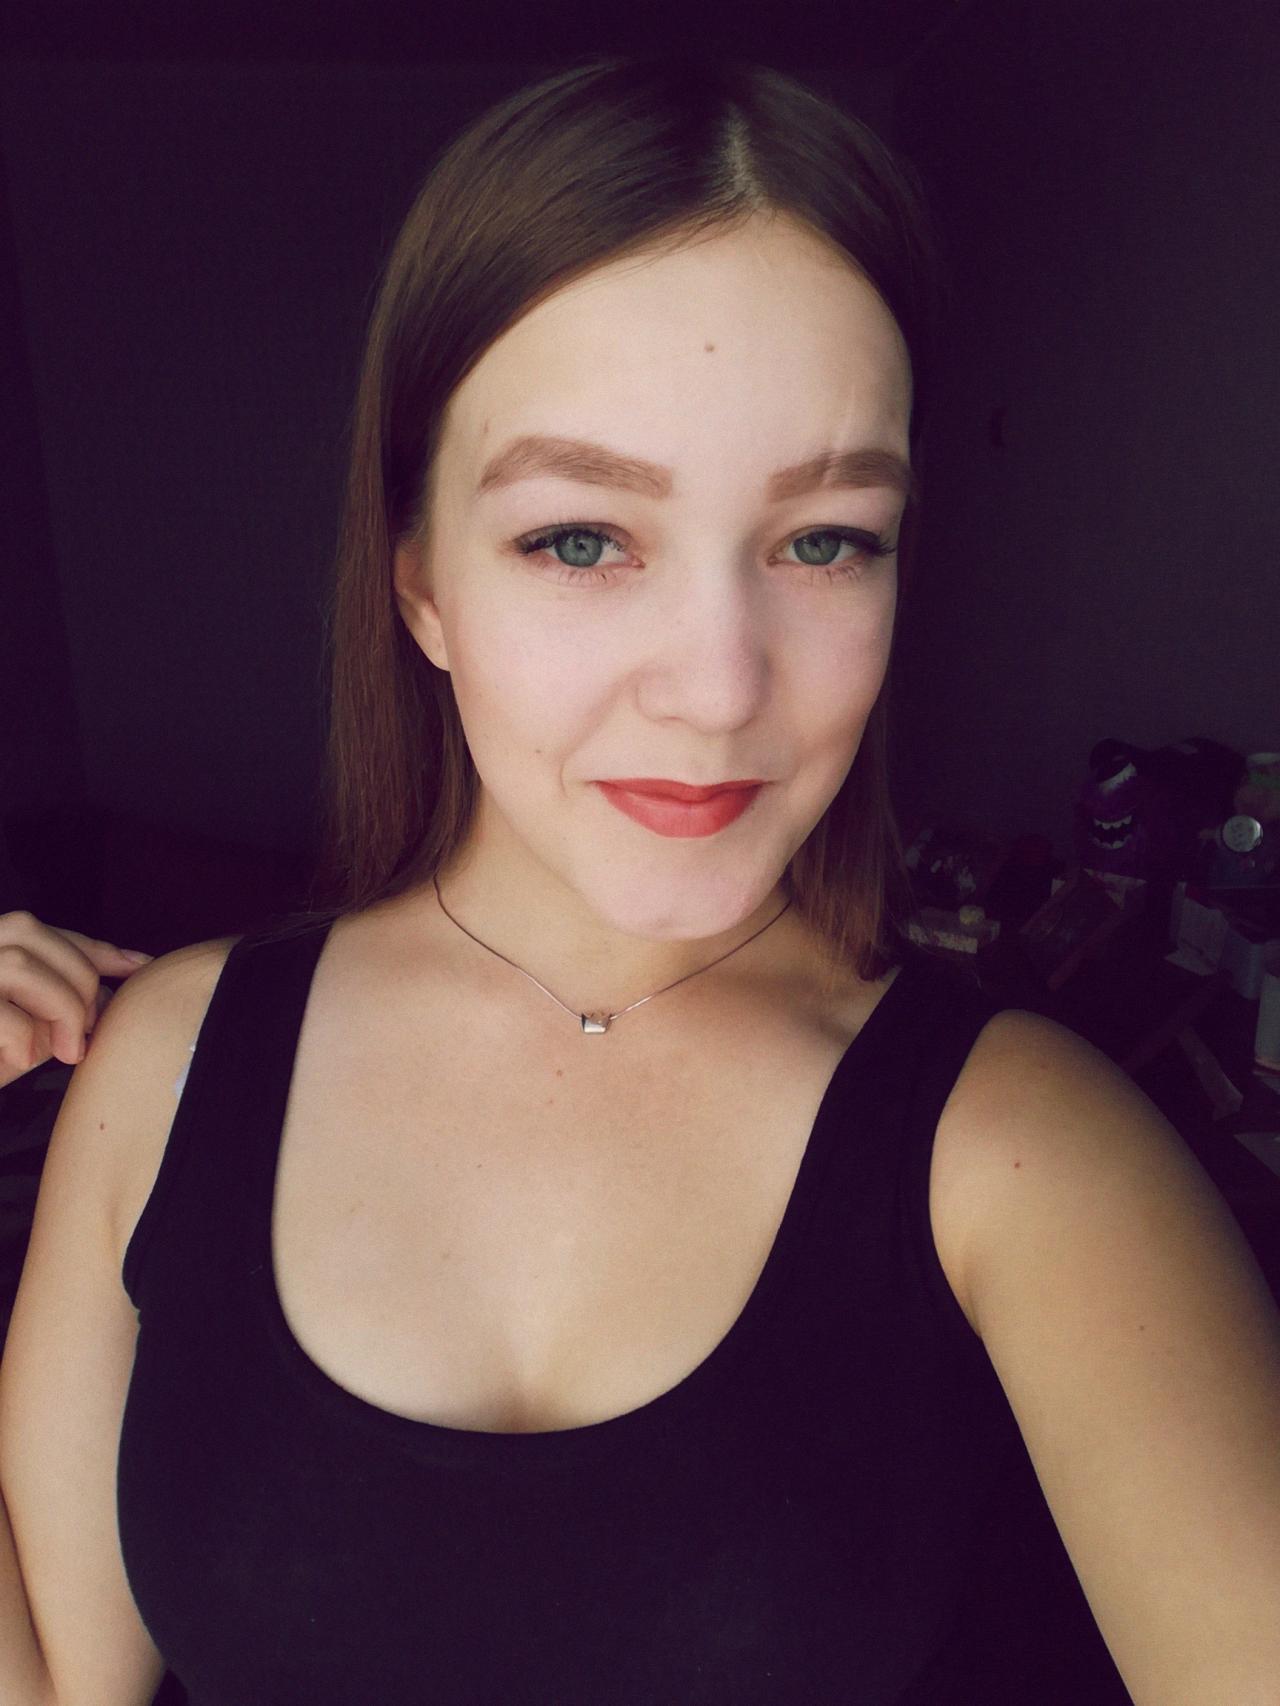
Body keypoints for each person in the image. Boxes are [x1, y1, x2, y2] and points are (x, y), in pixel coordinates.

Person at [3, 51, 1279, 1706]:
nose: (720, 685)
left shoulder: (1023, 1152)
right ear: (421, 582)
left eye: (824, 539)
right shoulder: (166, 1068)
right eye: (582, 539)